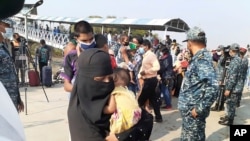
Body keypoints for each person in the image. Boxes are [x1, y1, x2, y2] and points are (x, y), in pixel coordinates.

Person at [178, 26, 219, 141]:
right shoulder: (199, 58)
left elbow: (213, 87)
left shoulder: (202, 59)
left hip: (193, 112)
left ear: (189, 43)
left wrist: (199, 109)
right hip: (190, 112)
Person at [103, 68, 142, 134]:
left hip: (123, 121)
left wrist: (102, 109)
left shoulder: (114, 91)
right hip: (135, 117)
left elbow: (111, 108)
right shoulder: (129, 92)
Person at [0, 20, 24, 112]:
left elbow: (12, 75)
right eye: (6, 26)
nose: (8, 29)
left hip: (12, 98)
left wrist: (18, 98)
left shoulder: (4, 47)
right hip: (3, 101)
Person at [138, 39, 163, 123]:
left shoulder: (151, 55)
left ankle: (136, 117)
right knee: (153, 99)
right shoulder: (145, 55)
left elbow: (157, 67)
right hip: (149, 79)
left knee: (141, 100)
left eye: (142, 46)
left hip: (150, 80)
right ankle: (158, 117)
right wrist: (140, 74)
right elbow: (143, 67)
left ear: (146, 46)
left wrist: (146, 72)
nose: (140, 48)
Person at [218, 43, 242, 126]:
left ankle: (230, 121)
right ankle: (228, 117)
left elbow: (233, 77)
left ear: (232, 50)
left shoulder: (235, 61)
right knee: (230, 104)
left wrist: (228, 89)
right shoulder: (237, 59)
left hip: (233, 88)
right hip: (235, 87)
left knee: (231, 104)